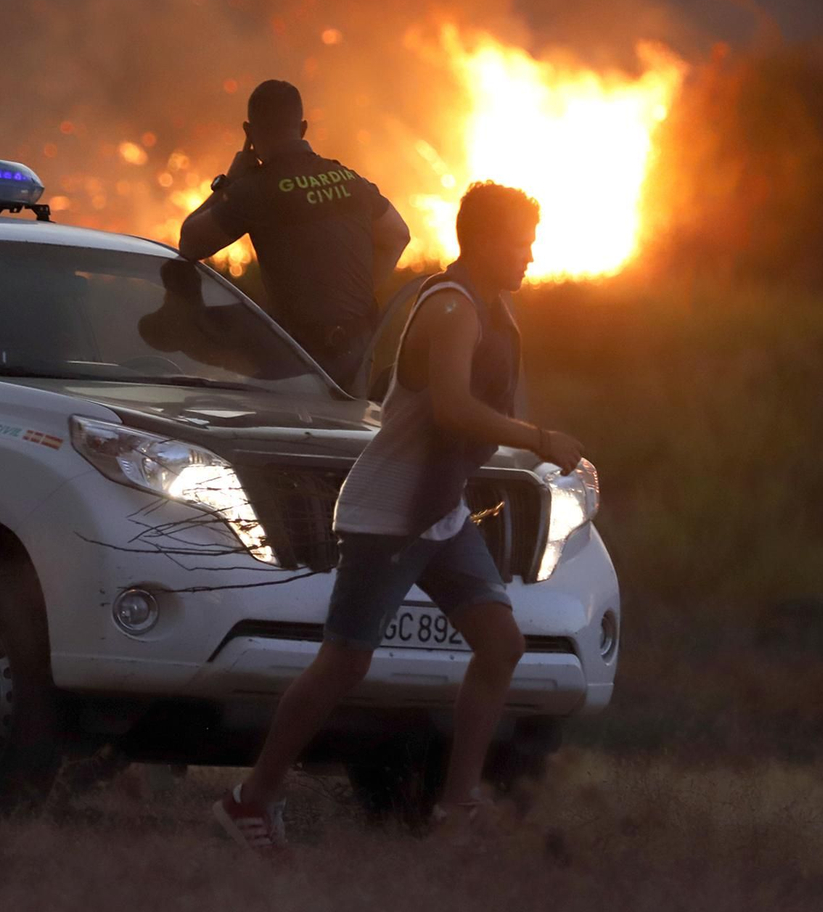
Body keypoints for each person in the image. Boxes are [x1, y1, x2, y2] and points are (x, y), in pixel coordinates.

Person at [212, 182, 585, 852]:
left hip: (436, 514)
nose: (530, 255)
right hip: (387, 513)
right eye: (521, 242)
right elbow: (452, 410)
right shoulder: (453, 309)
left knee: (501, 644)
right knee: (343, 665)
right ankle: (250, 801)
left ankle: (457, 811)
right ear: (488, 242)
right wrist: (539, 438)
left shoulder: (493, 311)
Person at [178, 80, 411, 389]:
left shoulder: (256, 191)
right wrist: (360, 294)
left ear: (249, 133)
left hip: (298, 356)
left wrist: (228, 181)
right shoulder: (350, 180)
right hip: (358, 348)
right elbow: (398, 235)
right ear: (303, 128)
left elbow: (190, 243)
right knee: (347, 432)